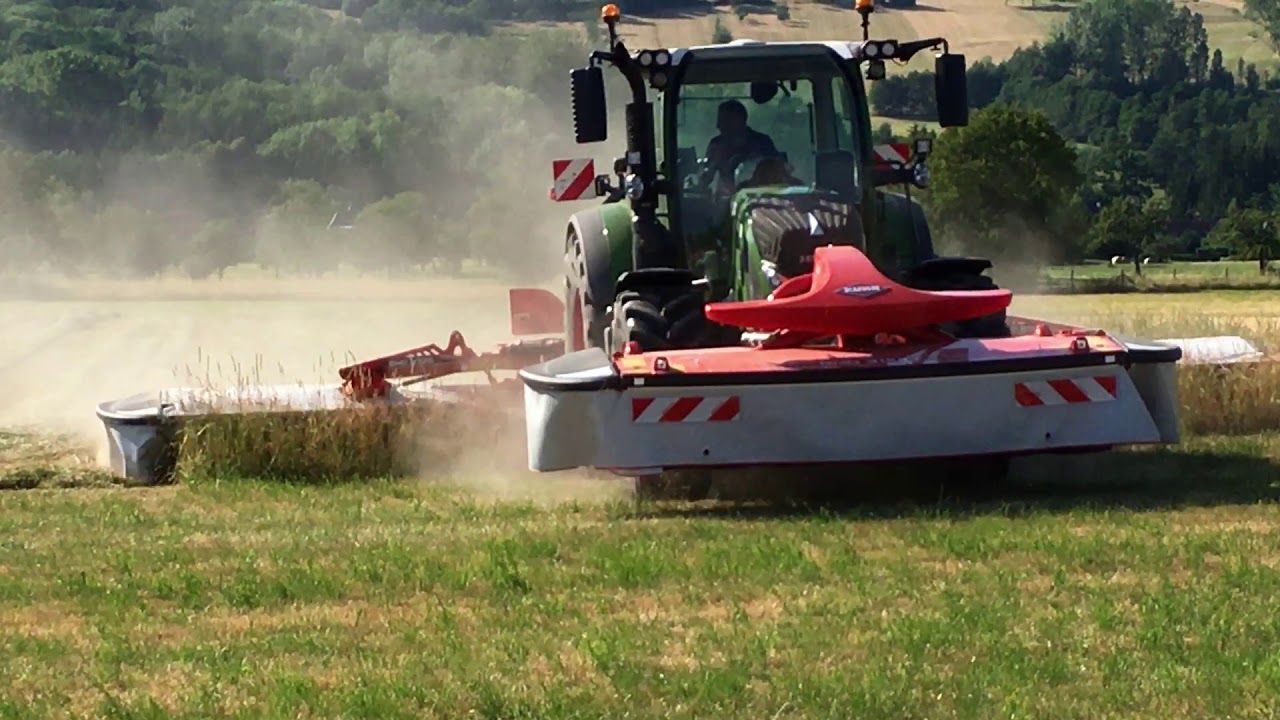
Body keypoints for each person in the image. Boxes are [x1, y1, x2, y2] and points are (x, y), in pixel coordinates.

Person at [704, 99, 778, 181]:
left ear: (738, 120)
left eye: (723, 120)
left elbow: (776, 173)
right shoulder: (716, 144)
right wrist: (714, 164)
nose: (718, 125)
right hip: (725, 189)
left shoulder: (762, 143)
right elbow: (705, 180)